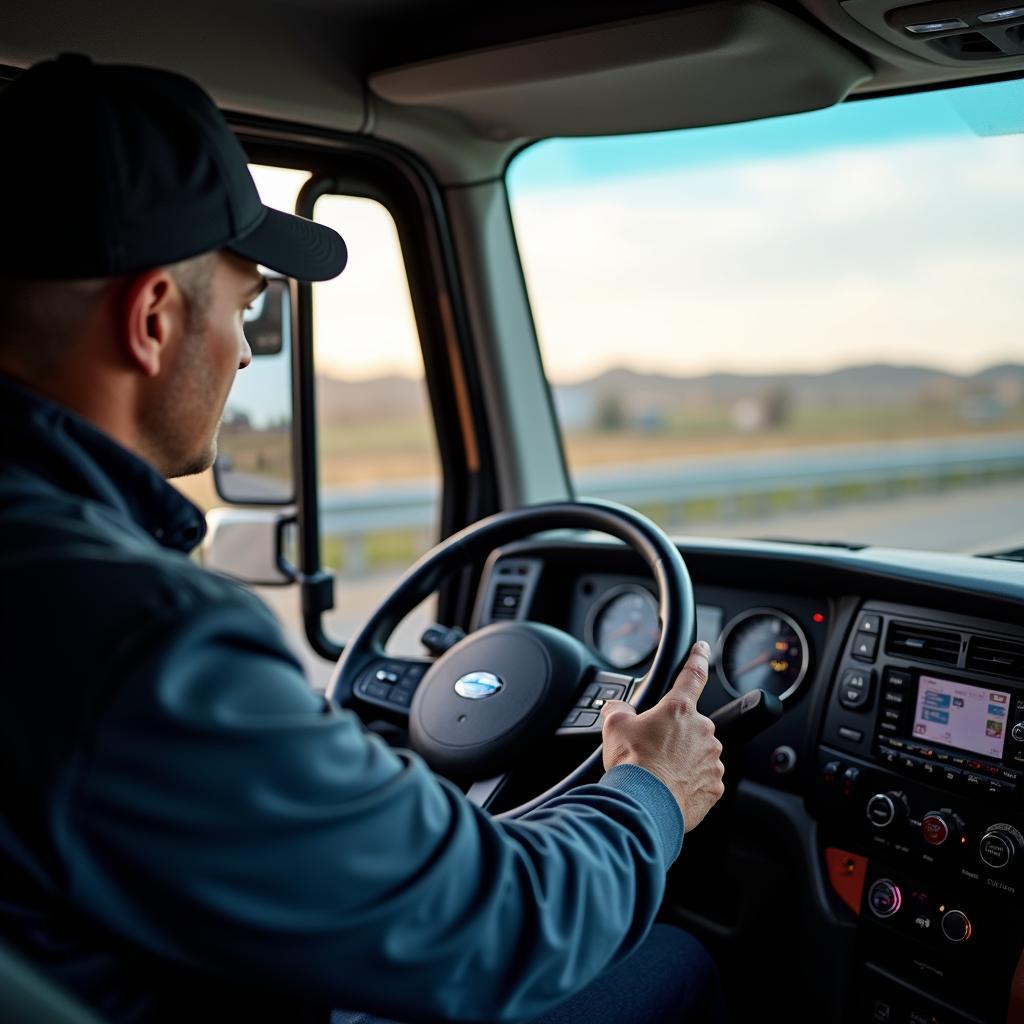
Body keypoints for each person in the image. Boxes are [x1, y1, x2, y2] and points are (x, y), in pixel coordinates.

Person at [0, 54, 727, 1024]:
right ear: (153, 318)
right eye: (249, 308)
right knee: (682, 963)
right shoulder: (138, 635)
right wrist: (649, 790)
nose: (250, 348)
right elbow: (498, 925)